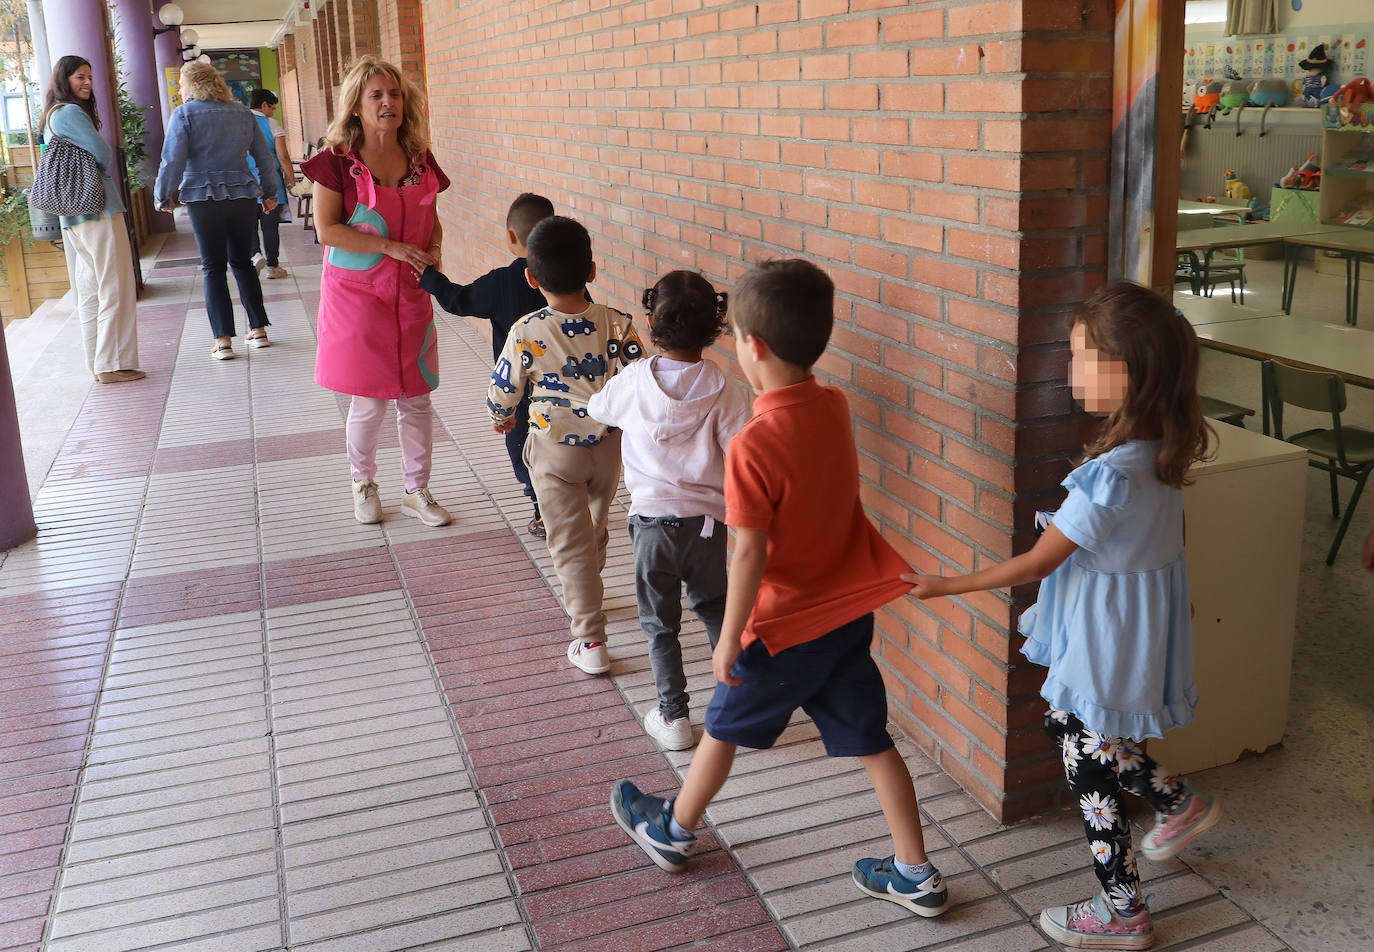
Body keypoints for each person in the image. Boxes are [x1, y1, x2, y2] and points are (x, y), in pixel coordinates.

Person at [610, 259, 949, 921]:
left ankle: (672, 830)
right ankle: (916, 872)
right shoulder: (833, 405)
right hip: (847, 615)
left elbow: (747, 553)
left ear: (753, 347)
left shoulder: (755, 443)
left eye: (735, 334)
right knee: (874, 742)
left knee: (722, 729)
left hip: (784, 626)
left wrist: (731, 636)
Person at [907, 282, 1220, 951]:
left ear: (1124, 371)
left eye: (1080, 356)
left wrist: (945, 585)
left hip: (1106, 635)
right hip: (1132, 624)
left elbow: (1034, 565)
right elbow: (1172, 536)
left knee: (1090, 765)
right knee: (1071, 724)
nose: (1070, 371)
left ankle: (1124, 913)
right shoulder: (1161, 449)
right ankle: (1176, 801)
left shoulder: (1110, 477)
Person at [586, 271, 749, 750]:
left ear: (652, 319)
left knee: (660, 623)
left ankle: (674, 716)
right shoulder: (722, 386)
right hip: (706, 524)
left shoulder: (635, 381)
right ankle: (738, 706)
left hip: (652, 525)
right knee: (716, 607)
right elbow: (742, 448)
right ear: (715, 325)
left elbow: (599, 408)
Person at [486, 216, 644, 674]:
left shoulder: (526, 330)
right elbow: (639, 378)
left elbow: (502, 389)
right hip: (609, 449)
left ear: (531, 278)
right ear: (592, 271)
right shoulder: (618, 324)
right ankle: (589, 592)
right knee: (593, 527)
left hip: (554, 451)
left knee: (569, 542)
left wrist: (502, 416)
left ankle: (590, 640)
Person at [302, 55, 452, 529]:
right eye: (377, 95)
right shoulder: (337, 163)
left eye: (395, 94)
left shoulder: (419, 157)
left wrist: (432, 250)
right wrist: (390, 246)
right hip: (358, 295)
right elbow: (327, 231)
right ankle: (362, 481)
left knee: (416, 396)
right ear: (356, 106)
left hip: (410, 292)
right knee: (369, 399)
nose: (389, 102)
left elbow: (433, 218)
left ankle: (417, 490)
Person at [420, 192, 556, 537]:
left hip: (521, 391)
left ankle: (542, 508)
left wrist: (429, 276)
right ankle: (574, 500)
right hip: (568, 389)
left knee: (522, 443)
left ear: (511, 237)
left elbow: (457, 300)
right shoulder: (568, 277)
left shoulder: (501, 282)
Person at [154, 61, 277, 359]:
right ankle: (258, 329)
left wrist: (163, 195)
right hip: (243, 195)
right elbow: (264, 157)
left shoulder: (184, 114)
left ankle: (223, 341)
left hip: (202, 197)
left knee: (213, 267)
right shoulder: (242, 113)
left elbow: (172, 161)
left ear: (195, 84)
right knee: (243, 262)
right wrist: (270, 193)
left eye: (182, 85)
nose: (181, 91)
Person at [40, 55, 143, 384]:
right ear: (64, 80)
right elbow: (102, 153)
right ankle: (112, 364)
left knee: (90, 289)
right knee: (115, 285)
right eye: (79, 77)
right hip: (98, 210)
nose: (87, 83)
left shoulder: (52, 116)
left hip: (75, 215)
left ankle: (98, 362)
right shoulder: (69, 112)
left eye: (89, 77)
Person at [246, 88, 295, 280]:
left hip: (245, 184)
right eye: (272, 108)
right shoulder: (271, 124)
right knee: (270, 226)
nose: (273, 112)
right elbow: (283, 156)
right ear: (264, 105)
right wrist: (292, 180)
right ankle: (273, 267)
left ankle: (255, 255)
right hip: (270, 183)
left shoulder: (238, 123)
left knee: (249, 225)